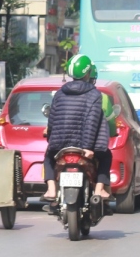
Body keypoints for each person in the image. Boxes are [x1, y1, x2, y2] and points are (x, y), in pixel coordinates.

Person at [41, 55, 111, 203]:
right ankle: (100, 189)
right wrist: (87, 148)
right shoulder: (95, 95)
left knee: (48, 157)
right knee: (106, 156)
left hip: (60, 145)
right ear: (87, 73)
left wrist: (51, 139)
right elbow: (92, 122)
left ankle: (51, 189)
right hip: (84, 146)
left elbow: (52, 119)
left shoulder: (60, 93)